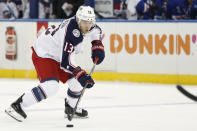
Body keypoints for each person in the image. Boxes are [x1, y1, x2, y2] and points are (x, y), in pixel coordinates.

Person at [5, 5, 105, 122]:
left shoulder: (87, 25)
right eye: (84, 22)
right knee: (51, 87)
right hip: (44, 54)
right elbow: (66, 62)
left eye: (90, 22)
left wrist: (97, 45)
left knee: (77, 84)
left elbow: (96, 31)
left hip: (58, 55)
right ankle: (17, 106)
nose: (87, 26)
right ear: (78, 20)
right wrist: (81, 75)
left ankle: (71, 108)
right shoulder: (72, 33)